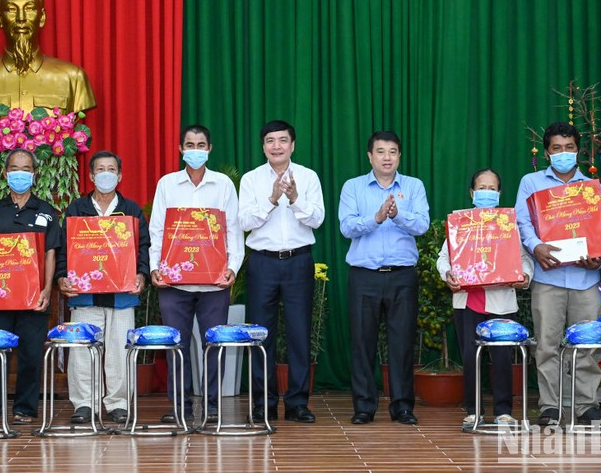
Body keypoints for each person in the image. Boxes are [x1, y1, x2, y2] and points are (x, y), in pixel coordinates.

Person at [149, 125, 244, 423]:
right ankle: (181, 405)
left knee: (213, 344)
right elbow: (157, 230)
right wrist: (154, 268)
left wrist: (232, 267)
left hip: (215, 281)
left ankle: (213, 405)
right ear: (180, 149)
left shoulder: (224, 184)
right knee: (176, 344)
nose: (195, 149)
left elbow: (233, 230)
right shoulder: (167, 184)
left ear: (210, 149)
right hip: (173, 283)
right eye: (189, 144)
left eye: (201, 144)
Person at [515, 121, 601, 426]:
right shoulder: (531, 182)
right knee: (547, 344)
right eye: (557, 148)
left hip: (585, 280)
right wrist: (536, 246)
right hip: (548, 277)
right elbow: (522, 222)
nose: (563, 153)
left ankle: (585, 406)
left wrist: (598, 260)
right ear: (547, 152)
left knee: (586, 344)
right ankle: (550, 406)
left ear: (578, 151)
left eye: (569, 148)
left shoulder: (592, 188)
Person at [338, 131, 429, 425]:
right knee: (362, 343)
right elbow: (346, 227)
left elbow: (423, 225)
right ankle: (364, 406)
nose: (386, 157)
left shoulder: (413, 186)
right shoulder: (353, 187)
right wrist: (376, 218)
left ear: (399, 156)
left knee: (402, 343)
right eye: (380, 151)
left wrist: (397, 215)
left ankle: (402, 407)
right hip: (364, 277)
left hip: (402, 276)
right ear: (370, 156)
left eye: (392, 152)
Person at [239, 120, 325, 424]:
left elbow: (317, 219)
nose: (277, 146)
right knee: (262, 334)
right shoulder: (251, 180)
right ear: (263, 146)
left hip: (299, 261)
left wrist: (295, 198)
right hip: (262, 262)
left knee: (299, 333)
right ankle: (264, 403)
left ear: (293, 145)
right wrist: (273, 199)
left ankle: (298, 403)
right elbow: (245, 222)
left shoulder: (308, 176)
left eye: (283, 140)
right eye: (270, 141)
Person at [0, 148, 60, 425]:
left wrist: (46, 289)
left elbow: (50, 253)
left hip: (34, 298)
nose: (21, 174)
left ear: (34, 174)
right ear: (6, 174)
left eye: (26, 168)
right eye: (15, 169)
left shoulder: (46, 211)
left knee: (31, 354)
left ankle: (25, 409)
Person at [56, 151, 150, 424]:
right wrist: (62, 277)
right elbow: (64, 247)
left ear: (119, 176)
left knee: (120, 350)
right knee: (82, 350)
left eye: (111, 169)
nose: (105, 174)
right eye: (100, 169)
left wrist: (142, 275)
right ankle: (84, 404)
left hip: (122, 294)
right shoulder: (77, 209)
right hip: (85, 294)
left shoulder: (131, 210)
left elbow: (142, 247)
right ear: (91, 175)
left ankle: (118, 404)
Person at [436, 168, 533, 427]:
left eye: (492, 189)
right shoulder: (461, 223)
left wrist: (524, 275)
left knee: (501, 357)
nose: (486, 193)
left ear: (499, 194)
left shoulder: (508, 224)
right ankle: (473, 411)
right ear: (472, 193)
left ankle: (503, 412)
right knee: (470, 356)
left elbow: (525, 259)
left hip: (500, 299)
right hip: (468, 300)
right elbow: (444, 258)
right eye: (482, 188)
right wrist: (447, 273)